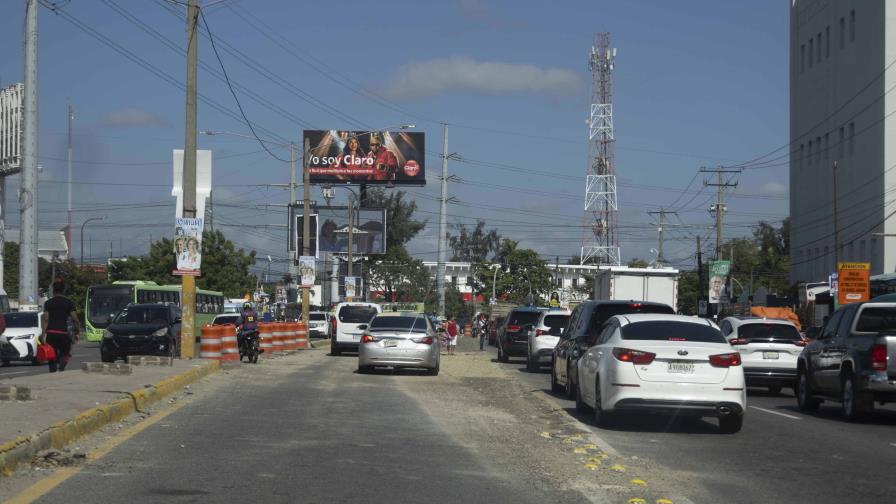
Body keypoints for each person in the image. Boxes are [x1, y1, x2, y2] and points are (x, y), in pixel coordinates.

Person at [40, 279, 81, 373]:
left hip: (51, 333)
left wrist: (43, 334)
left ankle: (52, 370)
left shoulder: (48, 303)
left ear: (53, 290)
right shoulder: (69, 303)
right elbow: (75, 319)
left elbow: (46, 319)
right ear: (63, 290)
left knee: (51, 353)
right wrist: (77, 331)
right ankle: (61, 368)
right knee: (66, 352)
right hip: (63, 332)